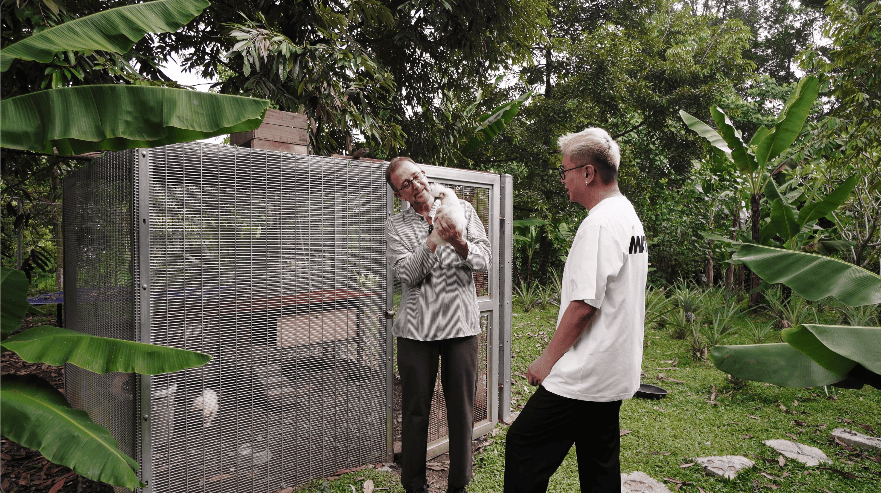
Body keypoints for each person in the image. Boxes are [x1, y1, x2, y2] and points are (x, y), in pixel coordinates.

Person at [504, 128, 648, 493]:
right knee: (599, 466)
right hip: (612, 371)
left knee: (523, 444)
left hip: (583, 375)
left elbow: (584, 305)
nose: (563, 180)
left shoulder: (599, 223)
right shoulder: (627, 215)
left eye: (565, 171)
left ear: (587, 172)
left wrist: (546, 360)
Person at [385, 157, 492, 493]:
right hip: (417, 331)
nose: (416, 185)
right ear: (400, 194)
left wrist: (460, 242)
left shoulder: (463, 209)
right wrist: (434, 236)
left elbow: (485, 259)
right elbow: (407, 274)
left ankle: (458, 485)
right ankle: (415, 485)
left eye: (417, 177)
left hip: (461, 326)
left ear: (425, 175)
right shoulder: (395, 226)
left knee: (461, 410)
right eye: (406, 184)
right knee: (416, 410)